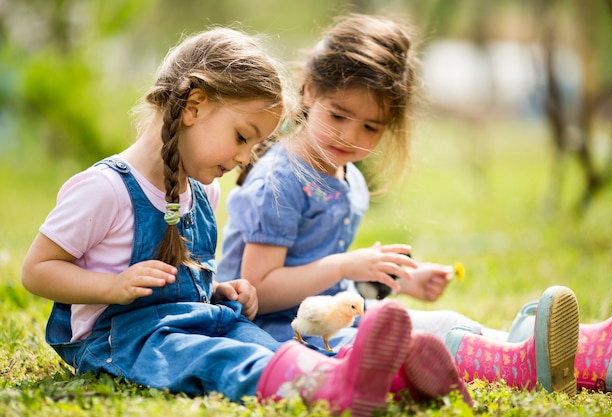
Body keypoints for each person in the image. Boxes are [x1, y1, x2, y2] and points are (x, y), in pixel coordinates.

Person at [19, 27, 459, 417]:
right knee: (215, 358)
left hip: (196, 316)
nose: (247, 158)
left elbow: (182, 278)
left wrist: (217, 290)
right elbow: (36, 271)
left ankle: (375, 377)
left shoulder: (202, 189)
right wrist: (110, 288)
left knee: (263, 342)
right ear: (194, 106)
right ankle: (332, 387)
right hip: (121, 337)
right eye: (242, 137)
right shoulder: (106, 189)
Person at [216, 13, 612, 397]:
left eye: (371, 127)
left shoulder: (348, 177)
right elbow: (260, 292)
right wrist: (346, 265)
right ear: (309, 90)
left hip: (327, 318)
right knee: (424, 337)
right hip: (284, 336)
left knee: (443, 322)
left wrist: (398, 280)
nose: (350, 135)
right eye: (338, 115)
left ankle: (588, 356)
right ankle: (517, 365)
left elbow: (324, 280)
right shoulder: (281, 180)